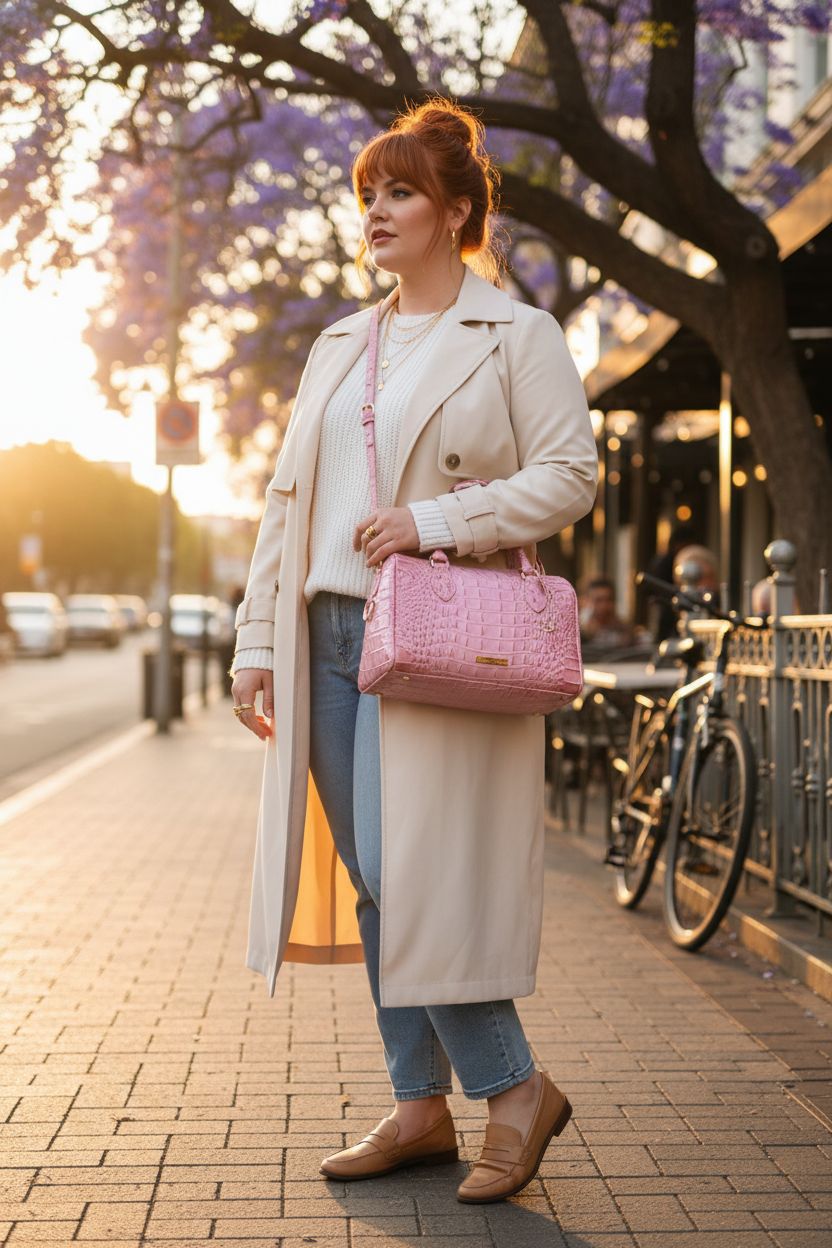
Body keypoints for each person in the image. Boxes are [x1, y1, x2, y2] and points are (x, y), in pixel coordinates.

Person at [230, 98, 598, 1204]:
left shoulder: (516, 335)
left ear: (456, 212)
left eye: (400, 192)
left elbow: (570, 477)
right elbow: (285, 503)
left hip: (435, 635)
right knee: (374, 881)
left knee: (409, 874)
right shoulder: (341, 344)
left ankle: (515, 1088)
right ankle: (419, 1107)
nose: (376, 212)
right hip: (326, 633)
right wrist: (258, 638)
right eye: (367, 195)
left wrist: (435, 521)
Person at [579, 575, 642, 656]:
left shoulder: (625, 630)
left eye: (608, 600)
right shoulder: (579, 631)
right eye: (598, 600)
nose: (604, 605)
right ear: (588, 601)